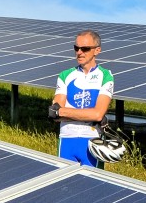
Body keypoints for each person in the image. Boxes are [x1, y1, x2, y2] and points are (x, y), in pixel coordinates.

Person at [48, 30, 115, 167]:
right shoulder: (65, 75)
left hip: (92, 141)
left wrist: (63, 112)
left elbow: (97, 114)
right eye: (76, 48)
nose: (79, 52)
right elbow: (54, 114)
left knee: (92, 186)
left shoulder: (106, 76)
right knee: (64, 185)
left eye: (85, 49)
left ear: (97, 50)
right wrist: (89, 116)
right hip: (67, 138)